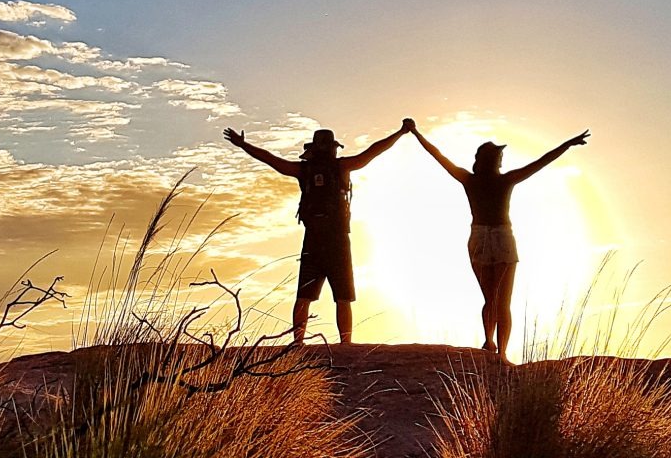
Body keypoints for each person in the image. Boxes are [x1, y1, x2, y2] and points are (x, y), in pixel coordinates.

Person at [223, 119, 413, 344]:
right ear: (333, 148)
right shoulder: (342, 167)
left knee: (304, 296)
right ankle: (345, 344)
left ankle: (298, 342)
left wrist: (244, 145)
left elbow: (271, 160)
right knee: (343, 297)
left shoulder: (303, 170)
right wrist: (400, 132)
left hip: (313, 240)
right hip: (338, 240)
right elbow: (373, 152)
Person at [411, 125, 590, 356]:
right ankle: (502, 353)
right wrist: (568, 144)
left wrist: (416, 134)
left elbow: (439, 156)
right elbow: (541, 162)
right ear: (495, 160)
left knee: (490, 298)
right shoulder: (505, 180)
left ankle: (489, 342)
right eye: (501, 157)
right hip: (502, 237)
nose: (503, 161)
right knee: (503, 300)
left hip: (479, 237)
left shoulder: (469, 179)